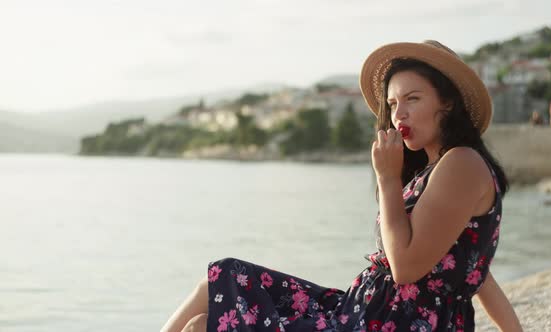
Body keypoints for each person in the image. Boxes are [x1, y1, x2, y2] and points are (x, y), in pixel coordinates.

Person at [161, 40, 523, 332]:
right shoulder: (436, 169)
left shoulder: (460, 163)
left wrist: (386, 178)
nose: (399, 115)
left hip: (392, 323)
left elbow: (406, 270)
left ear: (448, 103)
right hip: (359, 312)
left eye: (413, 99)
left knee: (202, 327)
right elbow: (477, 271)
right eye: (394, 103)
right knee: (219, 281)